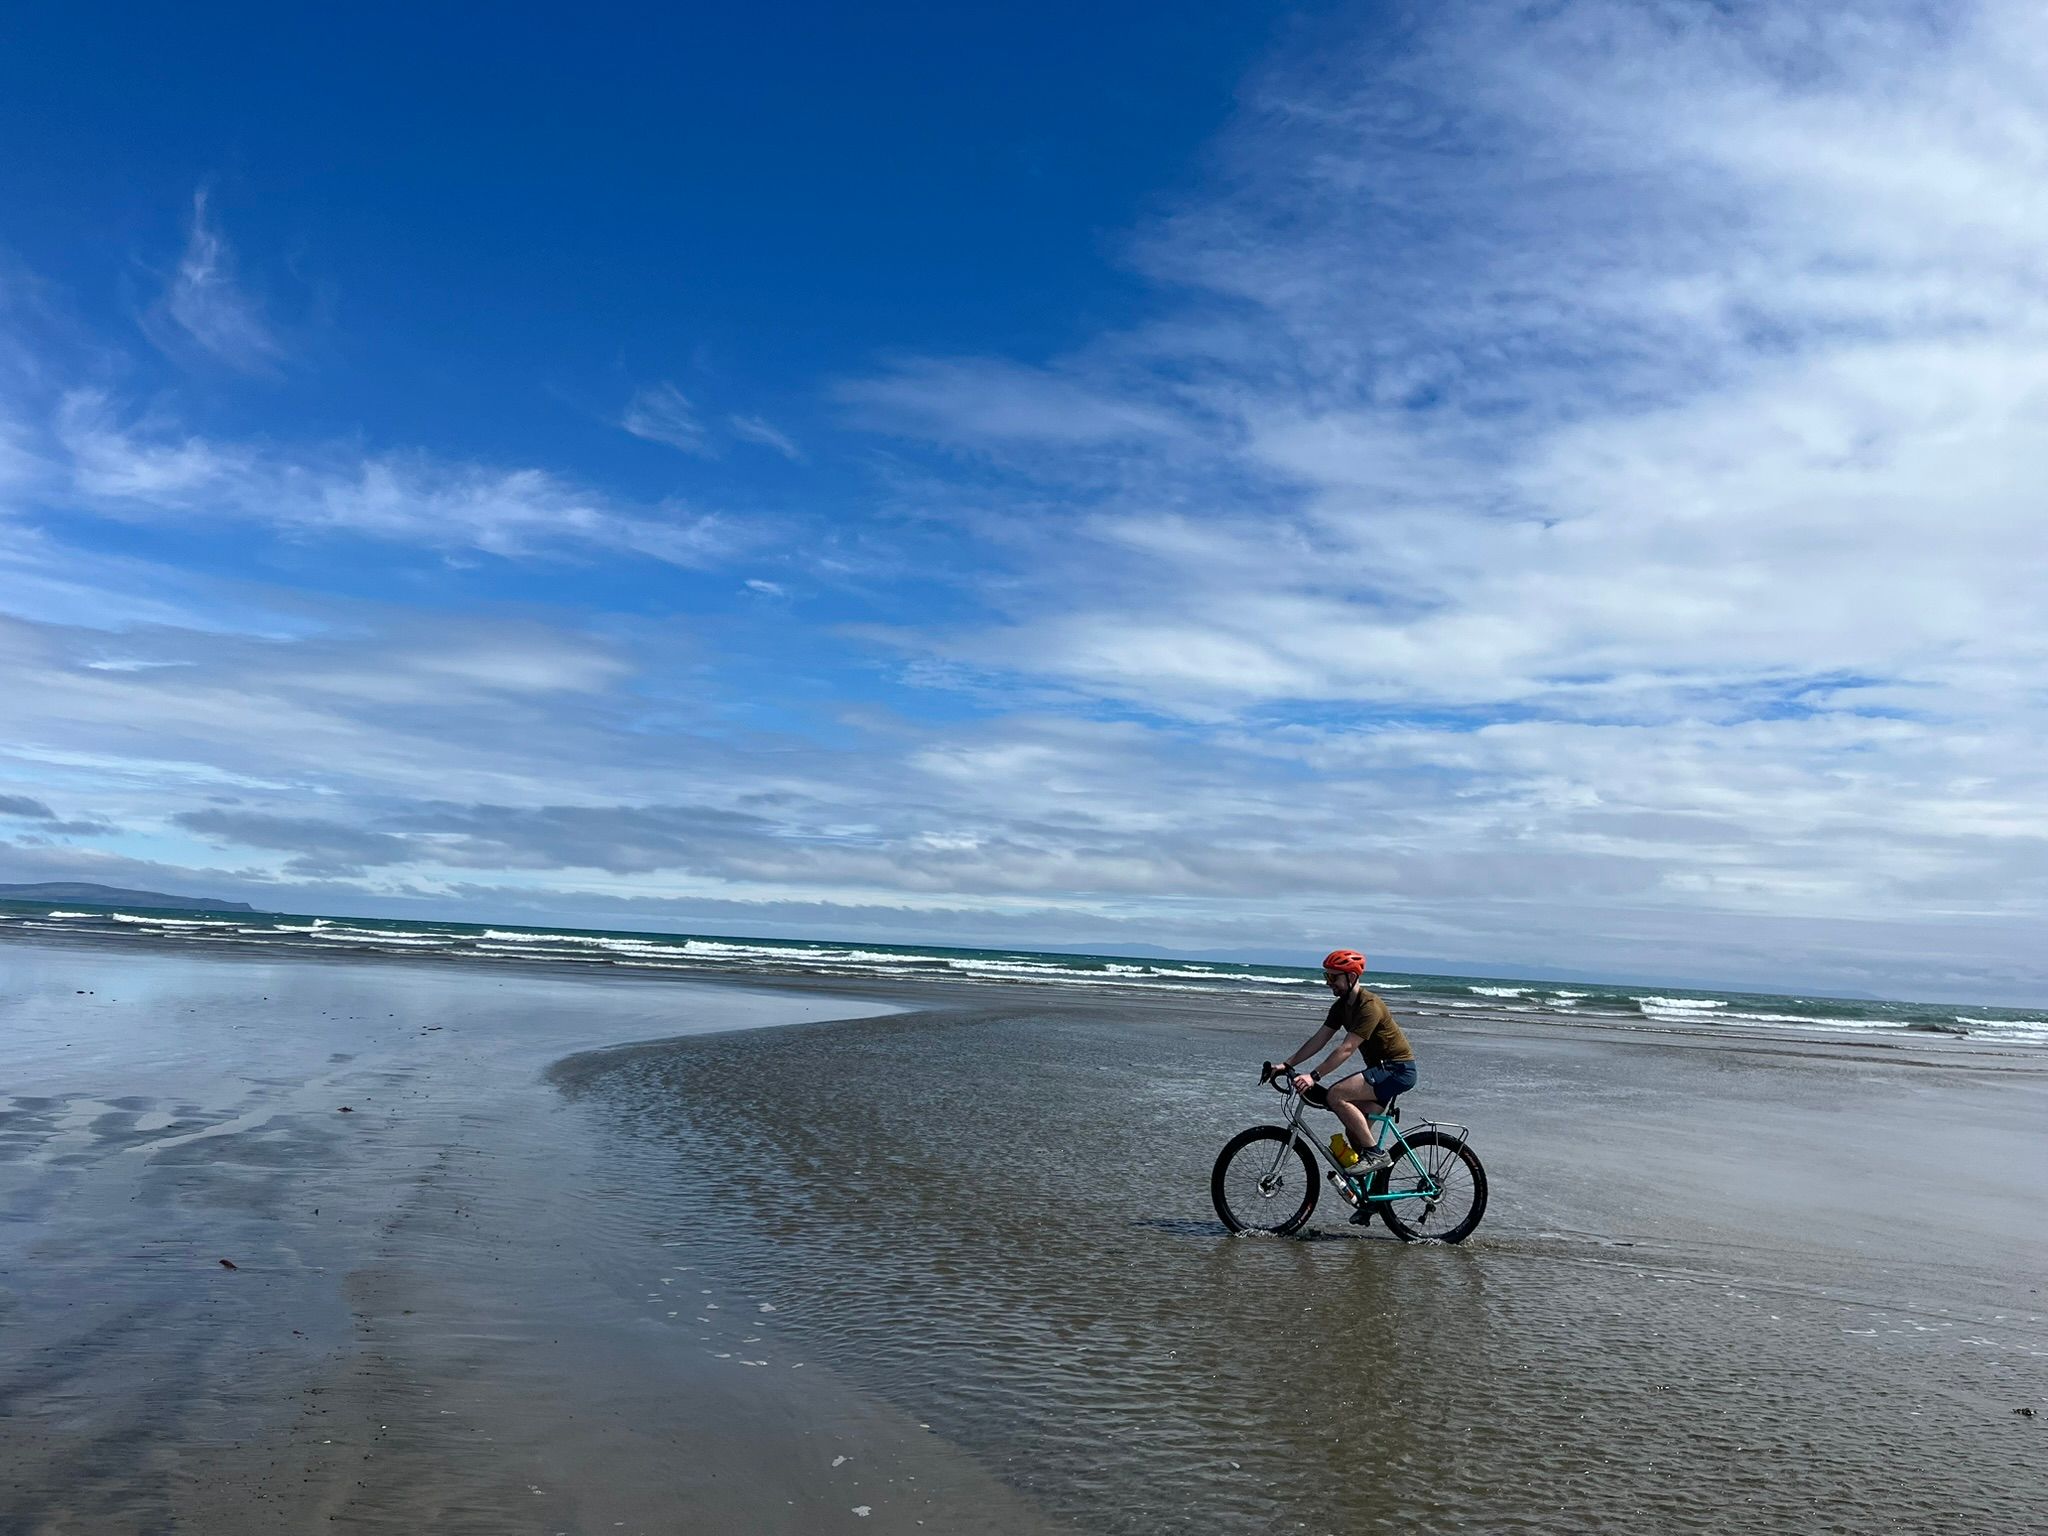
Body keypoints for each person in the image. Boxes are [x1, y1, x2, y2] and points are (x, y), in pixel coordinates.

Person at [1273, 948, 1417, 1204]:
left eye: (1333, 977)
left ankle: (1376, 1154)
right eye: (1326, 977)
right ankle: (1371, 1200)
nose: (1329, 983)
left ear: (1351, 977)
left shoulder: (1369, 1006)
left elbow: (1347, 1048)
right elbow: (1319, 1039)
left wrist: (1314, 1075)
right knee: (1354, 1132)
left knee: (1337, 1094)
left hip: (1397, 1070)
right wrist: (1287, 1064)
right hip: (1382, 1071)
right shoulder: (1341, 1007)